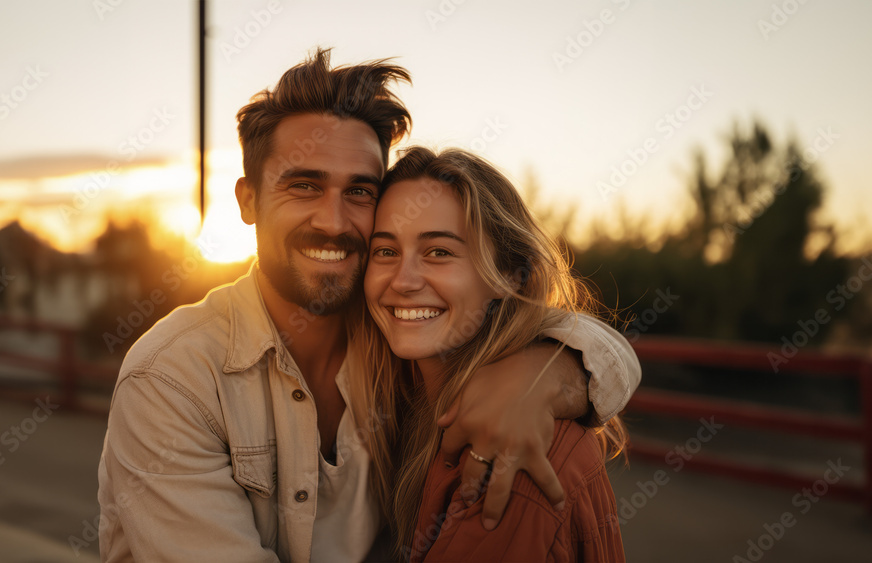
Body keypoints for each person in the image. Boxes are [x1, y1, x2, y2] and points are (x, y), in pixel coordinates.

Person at [97, 49, 639, 562]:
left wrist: (545, 376)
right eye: (305, 186)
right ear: (247, 200)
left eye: (359, 191)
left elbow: (588, 340)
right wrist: (546, 377)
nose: (333, 221)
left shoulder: (402, 344)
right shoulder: (171, 379)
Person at [356, 147, 627, 561]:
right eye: (386, 251)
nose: (403, 280)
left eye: (439, 252)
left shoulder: (514, 446)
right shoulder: (400, 393)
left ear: (506, 276)